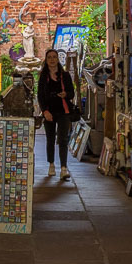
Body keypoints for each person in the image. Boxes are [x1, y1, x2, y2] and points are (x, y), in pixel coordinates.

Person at [37, 48, 75, 180]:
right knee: (50, 139)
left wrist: (66, 94)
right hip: (49, 111)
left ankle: (64, 168)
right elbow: (40, 95)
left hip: (63, 111)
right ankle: (51, 164)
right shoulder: (43, 76)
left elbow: (72, 93)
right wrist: (44, 111)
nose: (52, 60)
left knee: (63, 139)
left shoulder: (65, 76)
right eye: (49, 57)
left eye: (54, 57)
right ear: (46, 61)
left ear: (58, 59)